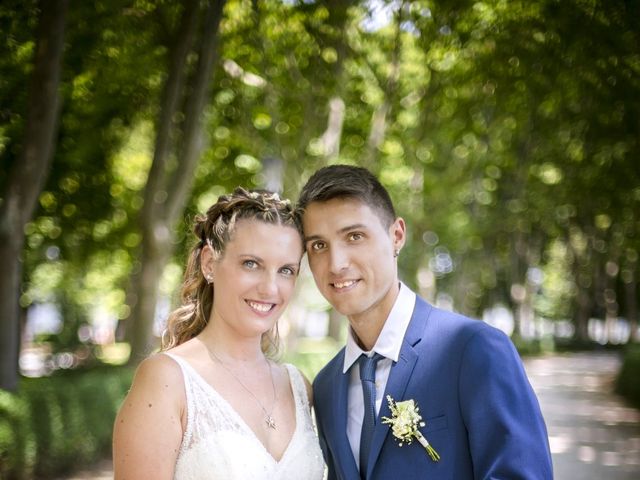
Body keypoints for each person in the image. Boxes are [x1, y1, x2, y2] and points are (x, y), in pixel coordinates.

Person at [297, 165, 553, 480]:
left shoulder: (473, 350)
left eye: (354, 236)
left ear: (396, 236)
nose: (336, 264)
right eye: (318, 245)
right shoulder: (326, 385)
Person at [113, 188, 325, 480]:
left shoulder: (299, 387)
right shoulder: (167, 380)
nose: (270, 288)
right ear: (210, 263)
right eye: (251, 264)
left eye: (286, 270)